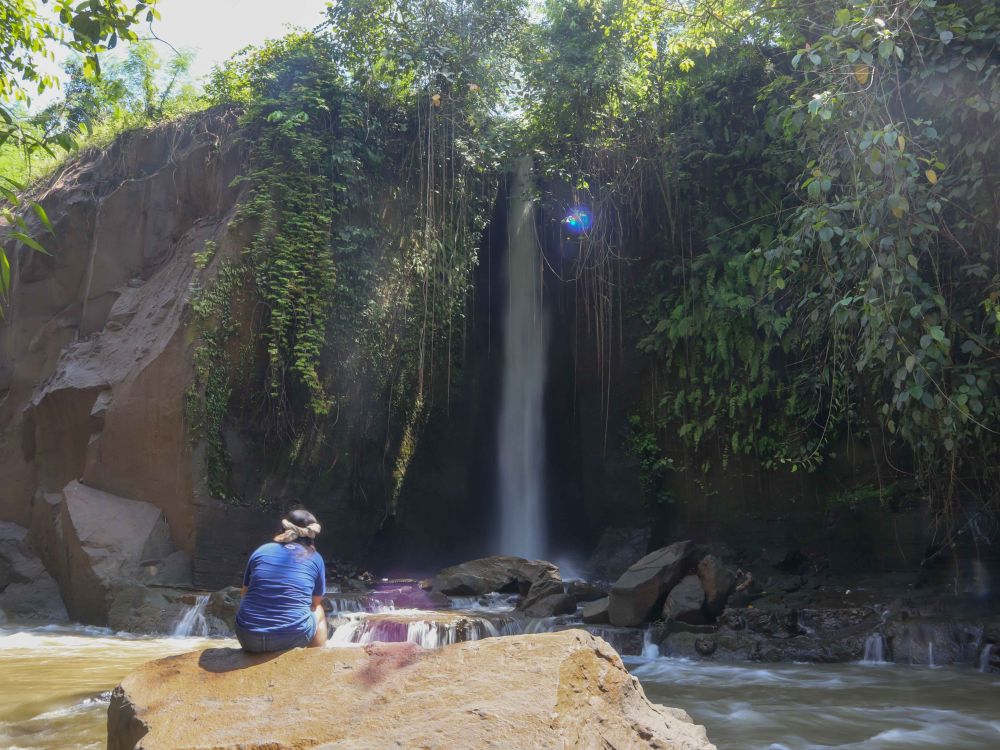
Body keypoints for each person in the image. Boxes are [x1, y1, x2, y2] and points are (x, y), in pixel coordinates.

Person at [235, 508, 328, 652]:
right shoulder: (315, 558)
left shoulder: (261, 550)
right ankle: (316, 661)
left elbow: (244, 594)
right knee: (319, 610)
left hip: (247, 637)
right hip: (289, 639)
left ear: (283, 528)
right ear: (311, 535)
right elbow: (315, 602)